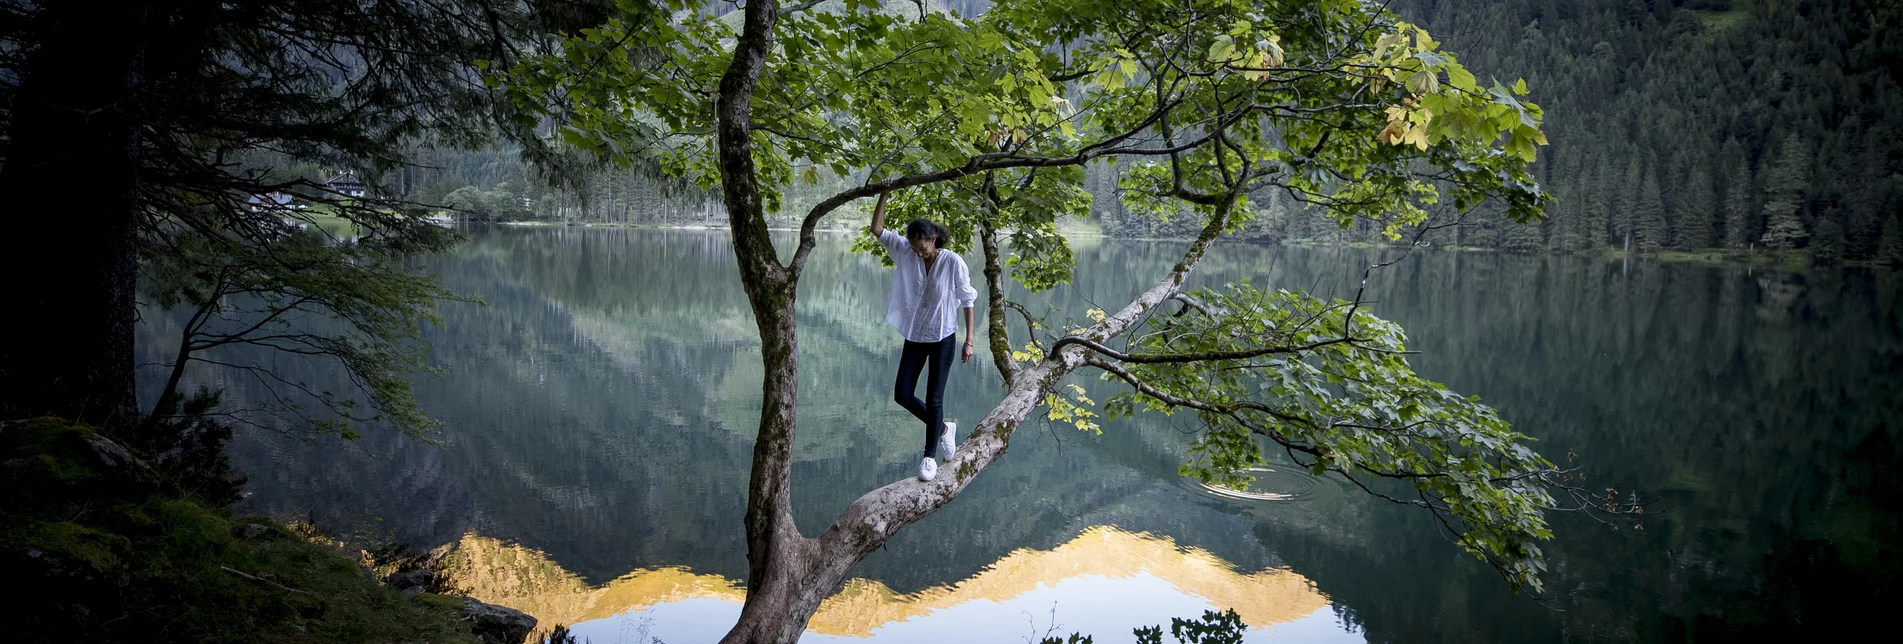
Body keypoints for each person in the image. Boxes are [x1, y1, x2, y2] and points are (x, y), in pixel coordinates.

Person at [870, 189, 976, 481]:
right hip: (916, 335)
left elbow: (967, 300)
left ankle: (929, 457)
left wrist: (969, 340)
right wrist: (884, 194)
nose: (919, 253)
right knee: (902, 394)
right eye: (914, 248)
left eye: (923, 248)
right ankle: (943, 428)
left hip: (943, 337)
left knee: (934, 398)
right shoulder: (905, 251)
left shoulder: (953, 262)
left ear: (933, 239)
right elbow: (877, 229)